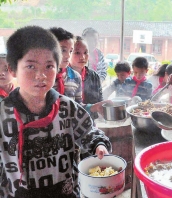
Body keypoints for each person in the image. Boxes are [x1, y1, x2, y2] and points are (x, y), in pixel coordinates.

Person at [1, 25, 111, 197]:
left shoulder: (67, 107)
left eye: (49, 66)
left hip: (65, 192)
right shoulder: (2, 114)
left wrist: (99, 144)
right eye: (31, 67)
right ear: (12, 69)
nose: (41, 75)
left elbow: (88, 131)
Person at [70, 36, 107, 120]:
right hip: (70, 122)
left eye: (86, 52)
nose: (82, 57)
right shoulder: (64, 77)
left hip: (90, 121)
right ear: (69, 53)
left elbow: (100, 100)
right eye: (77, 53)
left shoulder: (94, 76)